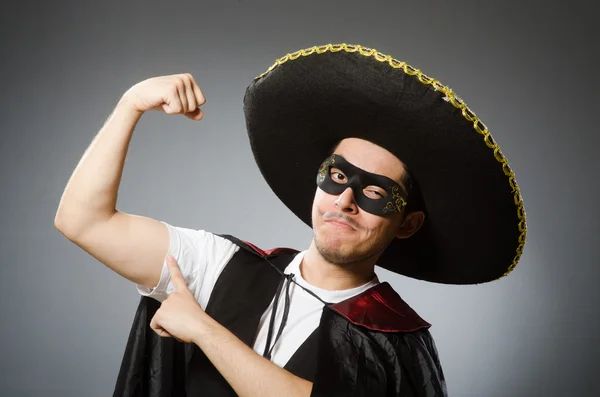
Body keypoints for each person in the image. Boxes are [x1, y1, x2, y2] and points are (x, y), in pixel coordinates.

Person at [55, 43, 527, 397]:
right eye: (337, 176)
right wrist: (131, 104)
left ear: (406, 223)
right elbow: (83, 221)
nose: (345, 200)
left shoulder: (397, 340)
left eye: (376, 192)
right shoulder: (219, 264)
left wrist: (202, 328)